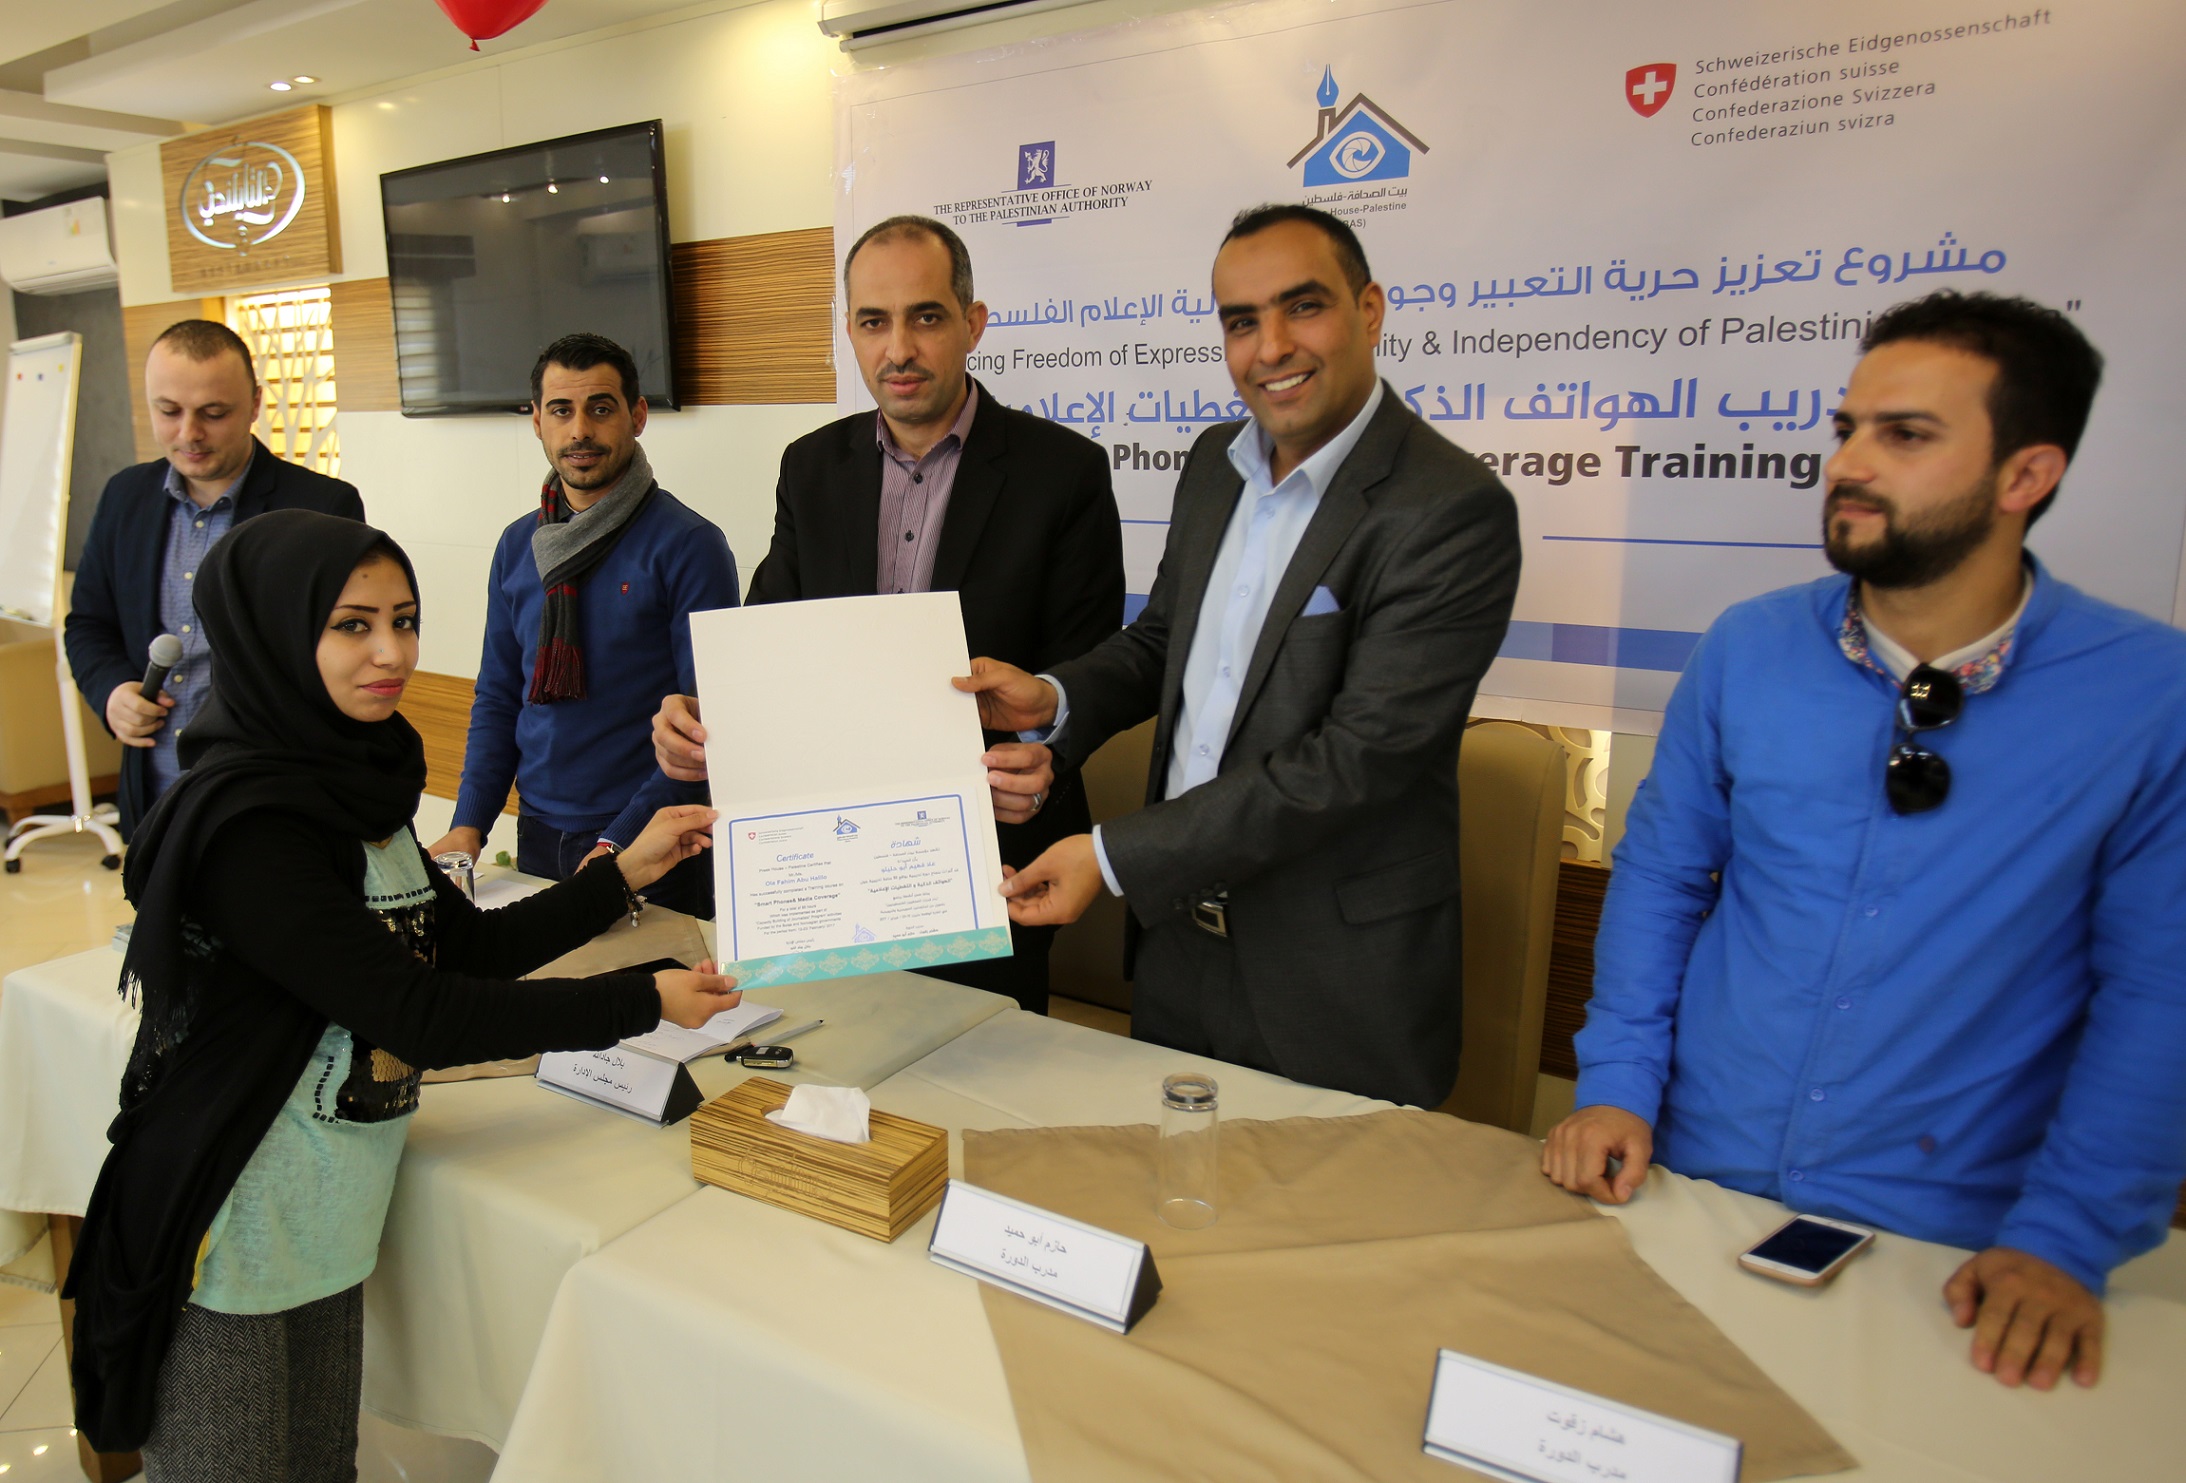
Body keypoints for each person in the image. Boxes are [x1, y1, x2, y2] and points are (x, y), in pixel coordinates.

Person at [1543, 292, 2186, 1394]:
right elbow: (1661, 880)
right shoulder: (1749, 646)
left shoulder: (2147, 697)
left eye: (1906, 434)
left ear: (2026, 476)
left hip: (1956, 1248)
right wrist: (1614, 1085)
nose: (1847, 462)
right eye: (1846, 428)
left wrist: (2064, 1237)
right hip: (1688, 1179)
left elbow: (2158, 991)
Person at [63, 510, 736, 1476]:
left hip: (325, 1221)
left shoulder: (353, 788)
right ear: (273, 631)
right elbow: (420, 1014)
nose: (393, 652)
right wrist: (642, 1000)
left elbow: (468, 948)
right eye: (353, 625)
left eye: (405, 620)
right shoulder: (254, 825)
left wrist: (624, 870)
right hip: (232, 1225)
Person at [953, 204, 1521, 1105]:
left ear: (1370, 310)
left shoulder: (1449, 509)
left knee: (1321, 1201)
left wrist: (1112, 856)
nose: (1272, 346)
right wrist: (1054, 699)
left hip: (1332, 978)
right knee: (1171, 1181)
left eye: (1304, 306)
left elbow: (1356, 761)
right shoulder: (1217, 461)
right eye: (1241, 321)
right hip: (1179, 942)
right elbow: (1166, 638)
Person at [648, 215, 1123, 1011]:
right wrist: (699, 717)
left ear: (973, 323)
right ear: (851, 332)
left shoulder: (1063, 471)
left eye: (925, 317)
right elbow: (768, 642)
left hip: (987, 862)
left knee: (983, 1076)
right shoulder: (811, 466)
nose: (898, 349)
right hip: (822, 867)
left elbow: (1090, 668)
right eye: (874, 322)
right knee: (823, 1065)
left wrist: (1045, 761)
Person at [427, 333, 738, 918]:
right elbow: (499, 696)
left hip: (650, 843)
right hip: (539, 834)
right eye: (561, 411)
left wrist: (618, 843)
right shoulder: (518, 544)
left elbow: (706, 725)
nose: (579, 431)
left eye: (600, 408)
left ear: (637, 416)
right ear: (537, 422)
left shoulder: (689, 545)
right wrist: (469, 823)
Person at [65, 319, 363, 838]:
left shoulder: (320, 506)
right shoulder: (124, 496)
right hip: (154, 790)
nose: (189, 434)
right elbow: (89, 623)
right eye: (169, 412)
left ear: (254, 404)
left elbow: (343, 652)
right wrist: (112, 692)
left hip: (269, 794)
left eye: (213, 413)